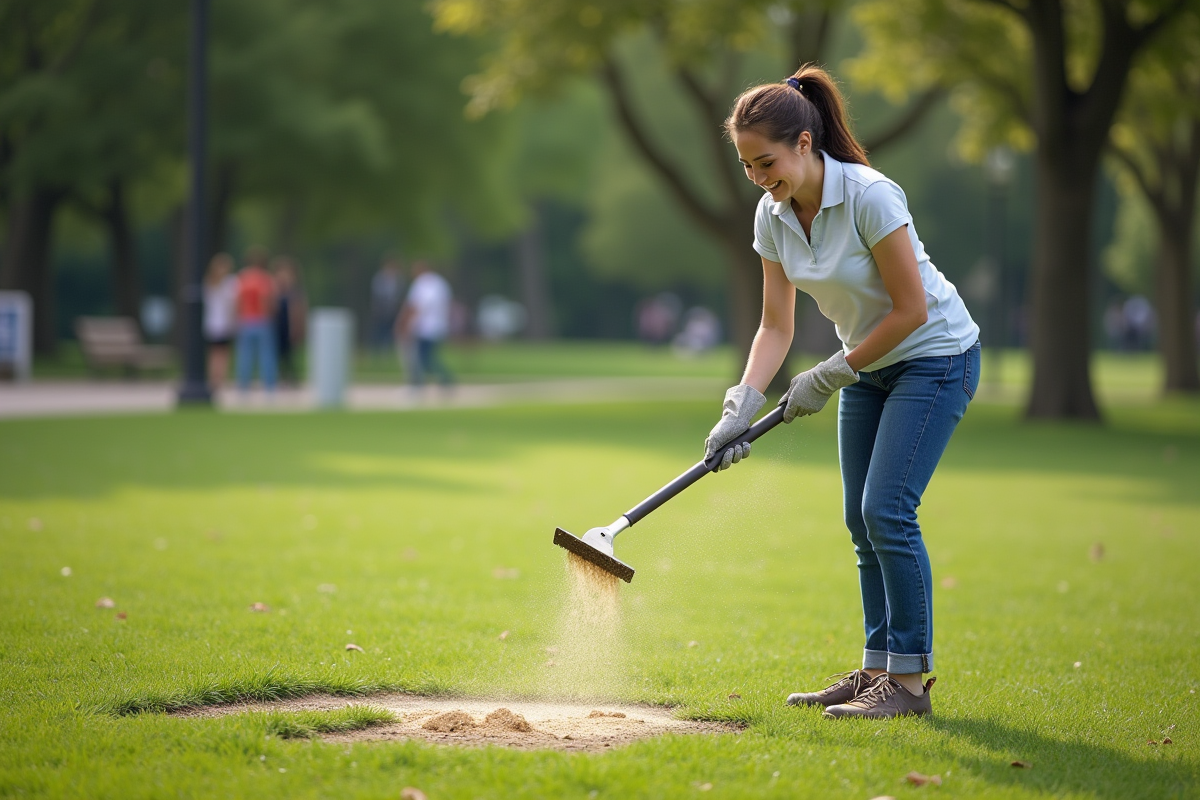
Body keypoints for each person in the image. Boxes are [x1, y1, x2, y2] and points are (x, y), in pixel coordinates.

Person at [705, 66, 980, 719]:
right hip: (868, 365)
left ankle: (910, 687)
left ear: (804, 142)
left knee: (888, 510)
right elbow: (775, 323)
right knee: (861, 520)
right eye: (745, 166)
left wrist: (829, 373)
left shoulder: (871, 196)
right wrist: (740, 402)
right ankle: (876, 671)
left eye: (764, 161)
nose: (756, 177)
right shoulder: (771, 214)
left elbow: (910, 310)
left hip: (934, 357)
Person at [396, 260, 453, 387]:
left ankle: (443, 379)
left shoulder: (423, 284)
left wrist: (405, 323)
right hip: (437, 325)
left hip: (427, 327)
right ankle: (436, 380)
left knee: (424, 358)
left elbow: (416, 306)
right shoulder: (440, 283)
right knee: (426, 357)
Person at [235, 247, 277, 393]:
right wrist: (269, 315)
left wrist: (238, 317)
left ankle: (243, 385)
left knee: (245, 355)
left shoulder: (243, 277)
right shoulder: (265, 278)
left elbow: (238, 301)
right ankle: (269, 386)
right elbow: (266, 300)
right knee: (266, 354)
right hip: (262, 320)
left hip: (246, 320)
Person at [202, 253, 239, 389]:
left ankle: (218, 379)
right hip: (218, 323)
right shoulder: (228, 283)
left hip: (217, 323)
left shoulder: (211, 282)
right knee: (219, 353)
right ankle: (217, 379)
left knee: (219, 352)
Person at [271, 256, 306, 386]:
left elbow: (297, 311)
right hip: (277, 326)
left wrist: (297, 328)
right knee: (277, 353)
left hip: (288, 327)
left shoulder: (294, 292)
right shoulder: (275, 291)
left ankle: (291, 378)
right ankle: (280, 376)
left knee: (289, 355)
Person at [369, 256, 405, 357]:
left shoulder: (398, 279)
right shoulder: (379, 278)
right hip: (382, 310)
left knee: (392, 332)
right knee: (379, 330)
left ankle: (388, 351)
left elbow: (400, 294)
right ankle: (376, 352)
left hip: (394, 310)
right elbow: (377, 295)